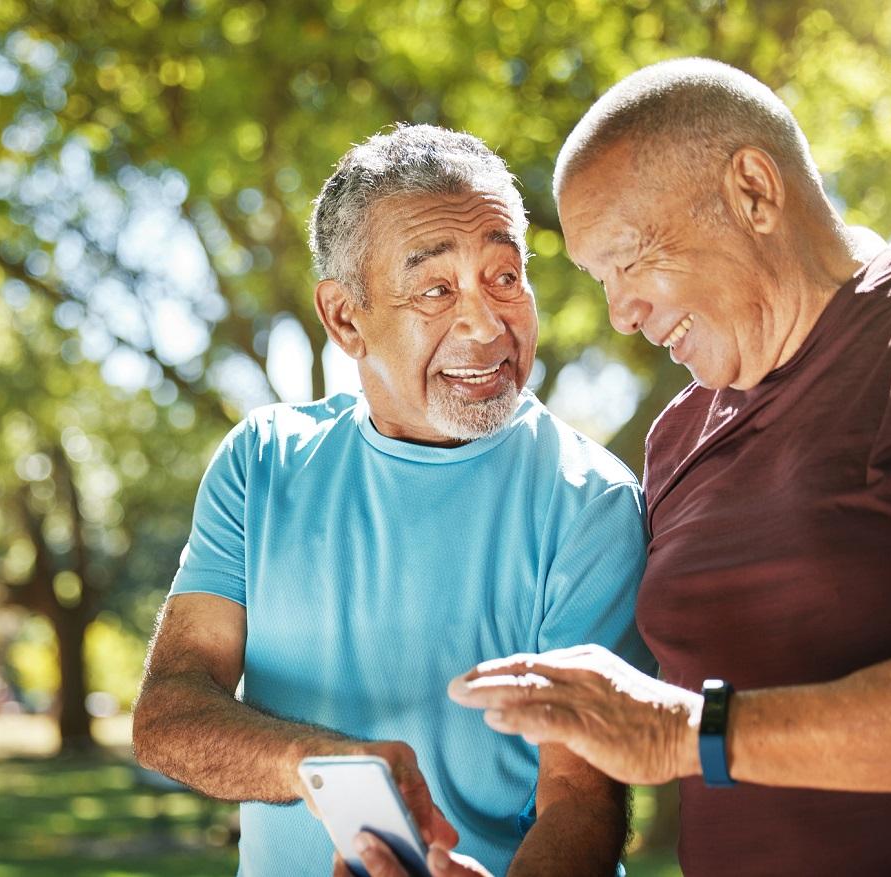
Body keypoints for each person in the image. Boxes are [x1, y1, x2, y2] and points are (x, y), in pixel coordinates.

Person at [450, 58, 891, 875]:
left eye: (629, 261)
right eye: (600, 281)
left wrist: (689, 733)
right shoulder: (674, 437)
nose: (623, 313)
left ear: (754, 191)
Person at [132, 124, 654, 876]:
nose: (485, 323)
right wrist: (324, 766)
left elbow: (582, 795)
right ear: (346, 318)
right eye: (437, 289)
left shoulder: (590, 501)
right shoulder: (261, 461)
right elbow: (169, 713)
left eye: (505, 277)